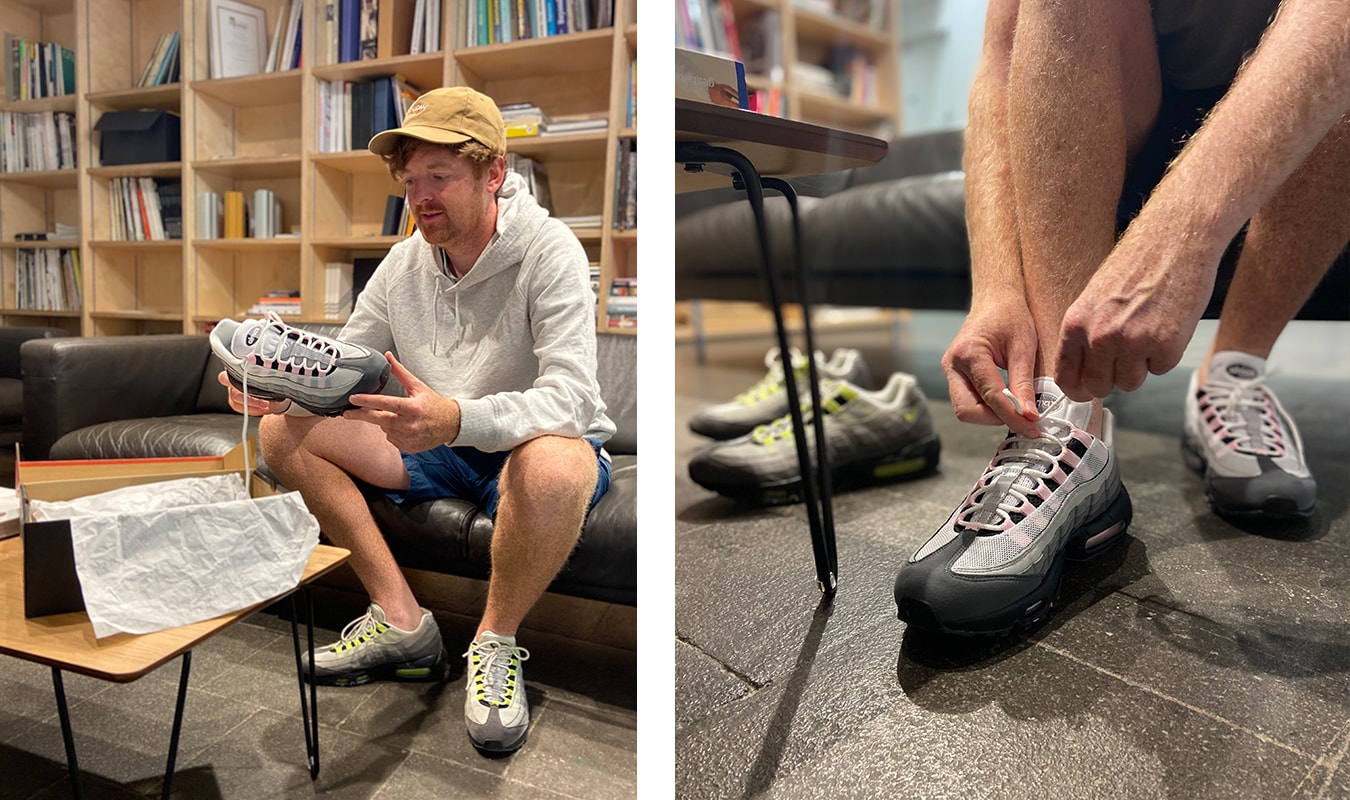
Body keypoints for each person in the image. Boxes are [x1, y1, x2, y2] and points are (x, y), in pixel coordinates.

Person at [894, 0, 1349, 635]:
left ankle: (1233, 374)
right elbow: (1001, 61)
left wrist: (1185, 232)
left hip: (1306, 104)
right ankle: (1069, 425)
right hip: (1127, 103)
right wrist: (996, 287)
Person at [219, 86, 614, 753]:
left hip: (525, 439)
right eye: (410, 181)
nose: (420, 196)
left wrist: (456, 417)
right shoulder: (403, 263)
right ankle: (403, 621)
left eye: (440, 177)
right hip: (431, 438)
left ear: (494, 173)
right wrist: (282, 391)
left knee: (551, 465)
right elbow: (347, 363)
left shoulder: (551, 251)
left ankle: (494, 643)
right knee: (283, 433)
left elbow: (571, 399)